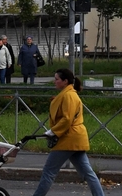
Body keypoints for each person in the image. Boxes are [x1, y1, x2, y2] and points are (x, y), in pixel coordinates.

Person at [33, 68, 104, 196]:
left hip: (68, 138)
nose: (54, 81)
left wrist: (52, 131)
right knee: (88, 173)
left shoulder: (69, 95)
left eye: (56, 79)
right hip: (73, 138)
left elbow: (67, 119)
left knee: (49, 171)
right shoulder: (68, 94)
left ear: (65, 81)